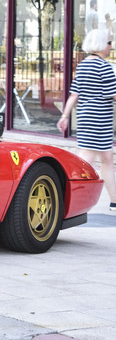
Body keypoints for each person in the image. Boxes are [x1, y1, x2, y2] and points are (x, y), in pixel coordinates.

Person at [57, 28, 116, 210]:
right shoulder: (103, 66)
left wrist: (65, 116)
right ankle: (63, 195)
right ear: (101, 45)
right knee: (85, 159)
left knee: (106, 158)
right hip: (100, 117)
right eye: (109, 43)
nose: (110, 47)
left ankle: (114, 201)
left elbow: (74, 94)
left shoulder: (83, 65)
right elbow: (113, 94)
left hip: (85, 116)